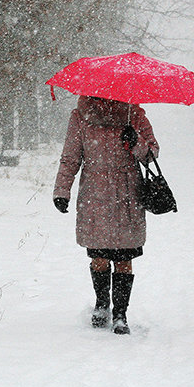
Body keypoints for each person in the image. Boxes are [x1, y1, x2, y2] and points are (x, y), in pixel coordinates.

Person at [53, 95, 159, 335]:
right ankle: (102, 305)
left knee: (124, 257)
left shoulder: (135, 115)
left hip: (127, 194)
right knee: (99, 256)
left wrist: (137, 143)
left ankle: (120, 314)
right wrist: (62, 190)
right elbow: (71, 158)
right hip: (95, 194)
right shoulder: (80, 117)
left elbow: (152, 155)